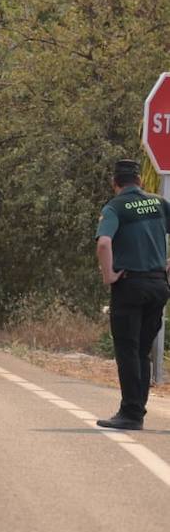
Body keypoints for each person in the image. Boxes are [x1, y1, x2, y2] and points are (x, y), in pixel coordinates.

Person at [95, 158, 170, 430]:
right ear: (139, 180)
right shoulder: (159, 203)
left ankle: (130, 414)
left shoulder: (115, 207)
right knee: (142, 351)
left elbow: (104, 243)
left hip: (130, 285)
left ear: (115, 183)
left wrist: (109, 275)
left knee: (127, 350)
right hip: (158, 285)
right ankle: (137, 411)